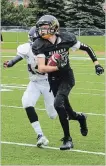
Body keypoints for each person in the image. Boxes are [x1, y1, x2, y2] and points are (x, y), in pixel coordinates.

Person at [32, 15, 104, 150]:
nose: (43, 30)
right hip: (53, 79)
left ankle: (67, 139)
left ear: (54, 27)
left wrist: (97, 64)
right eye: (41, 28)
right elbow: (41, 68)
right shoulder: (39, 44)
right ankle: (80, 118)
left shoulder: (66, 38)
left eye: (46, 27)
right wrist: (58, 67)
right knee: (68, 112)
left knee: (58, 104)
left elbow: (87, 48)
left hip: (67, 77)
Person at [3, 26, 57, 147]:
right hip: (35, 82)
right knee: (26, 102)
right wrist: (11, 62)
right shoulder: (26, 48)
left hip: (49, 83)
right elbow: (18, 57)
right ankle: (40, 135)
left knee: (52, 115)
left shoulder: (50, 48)